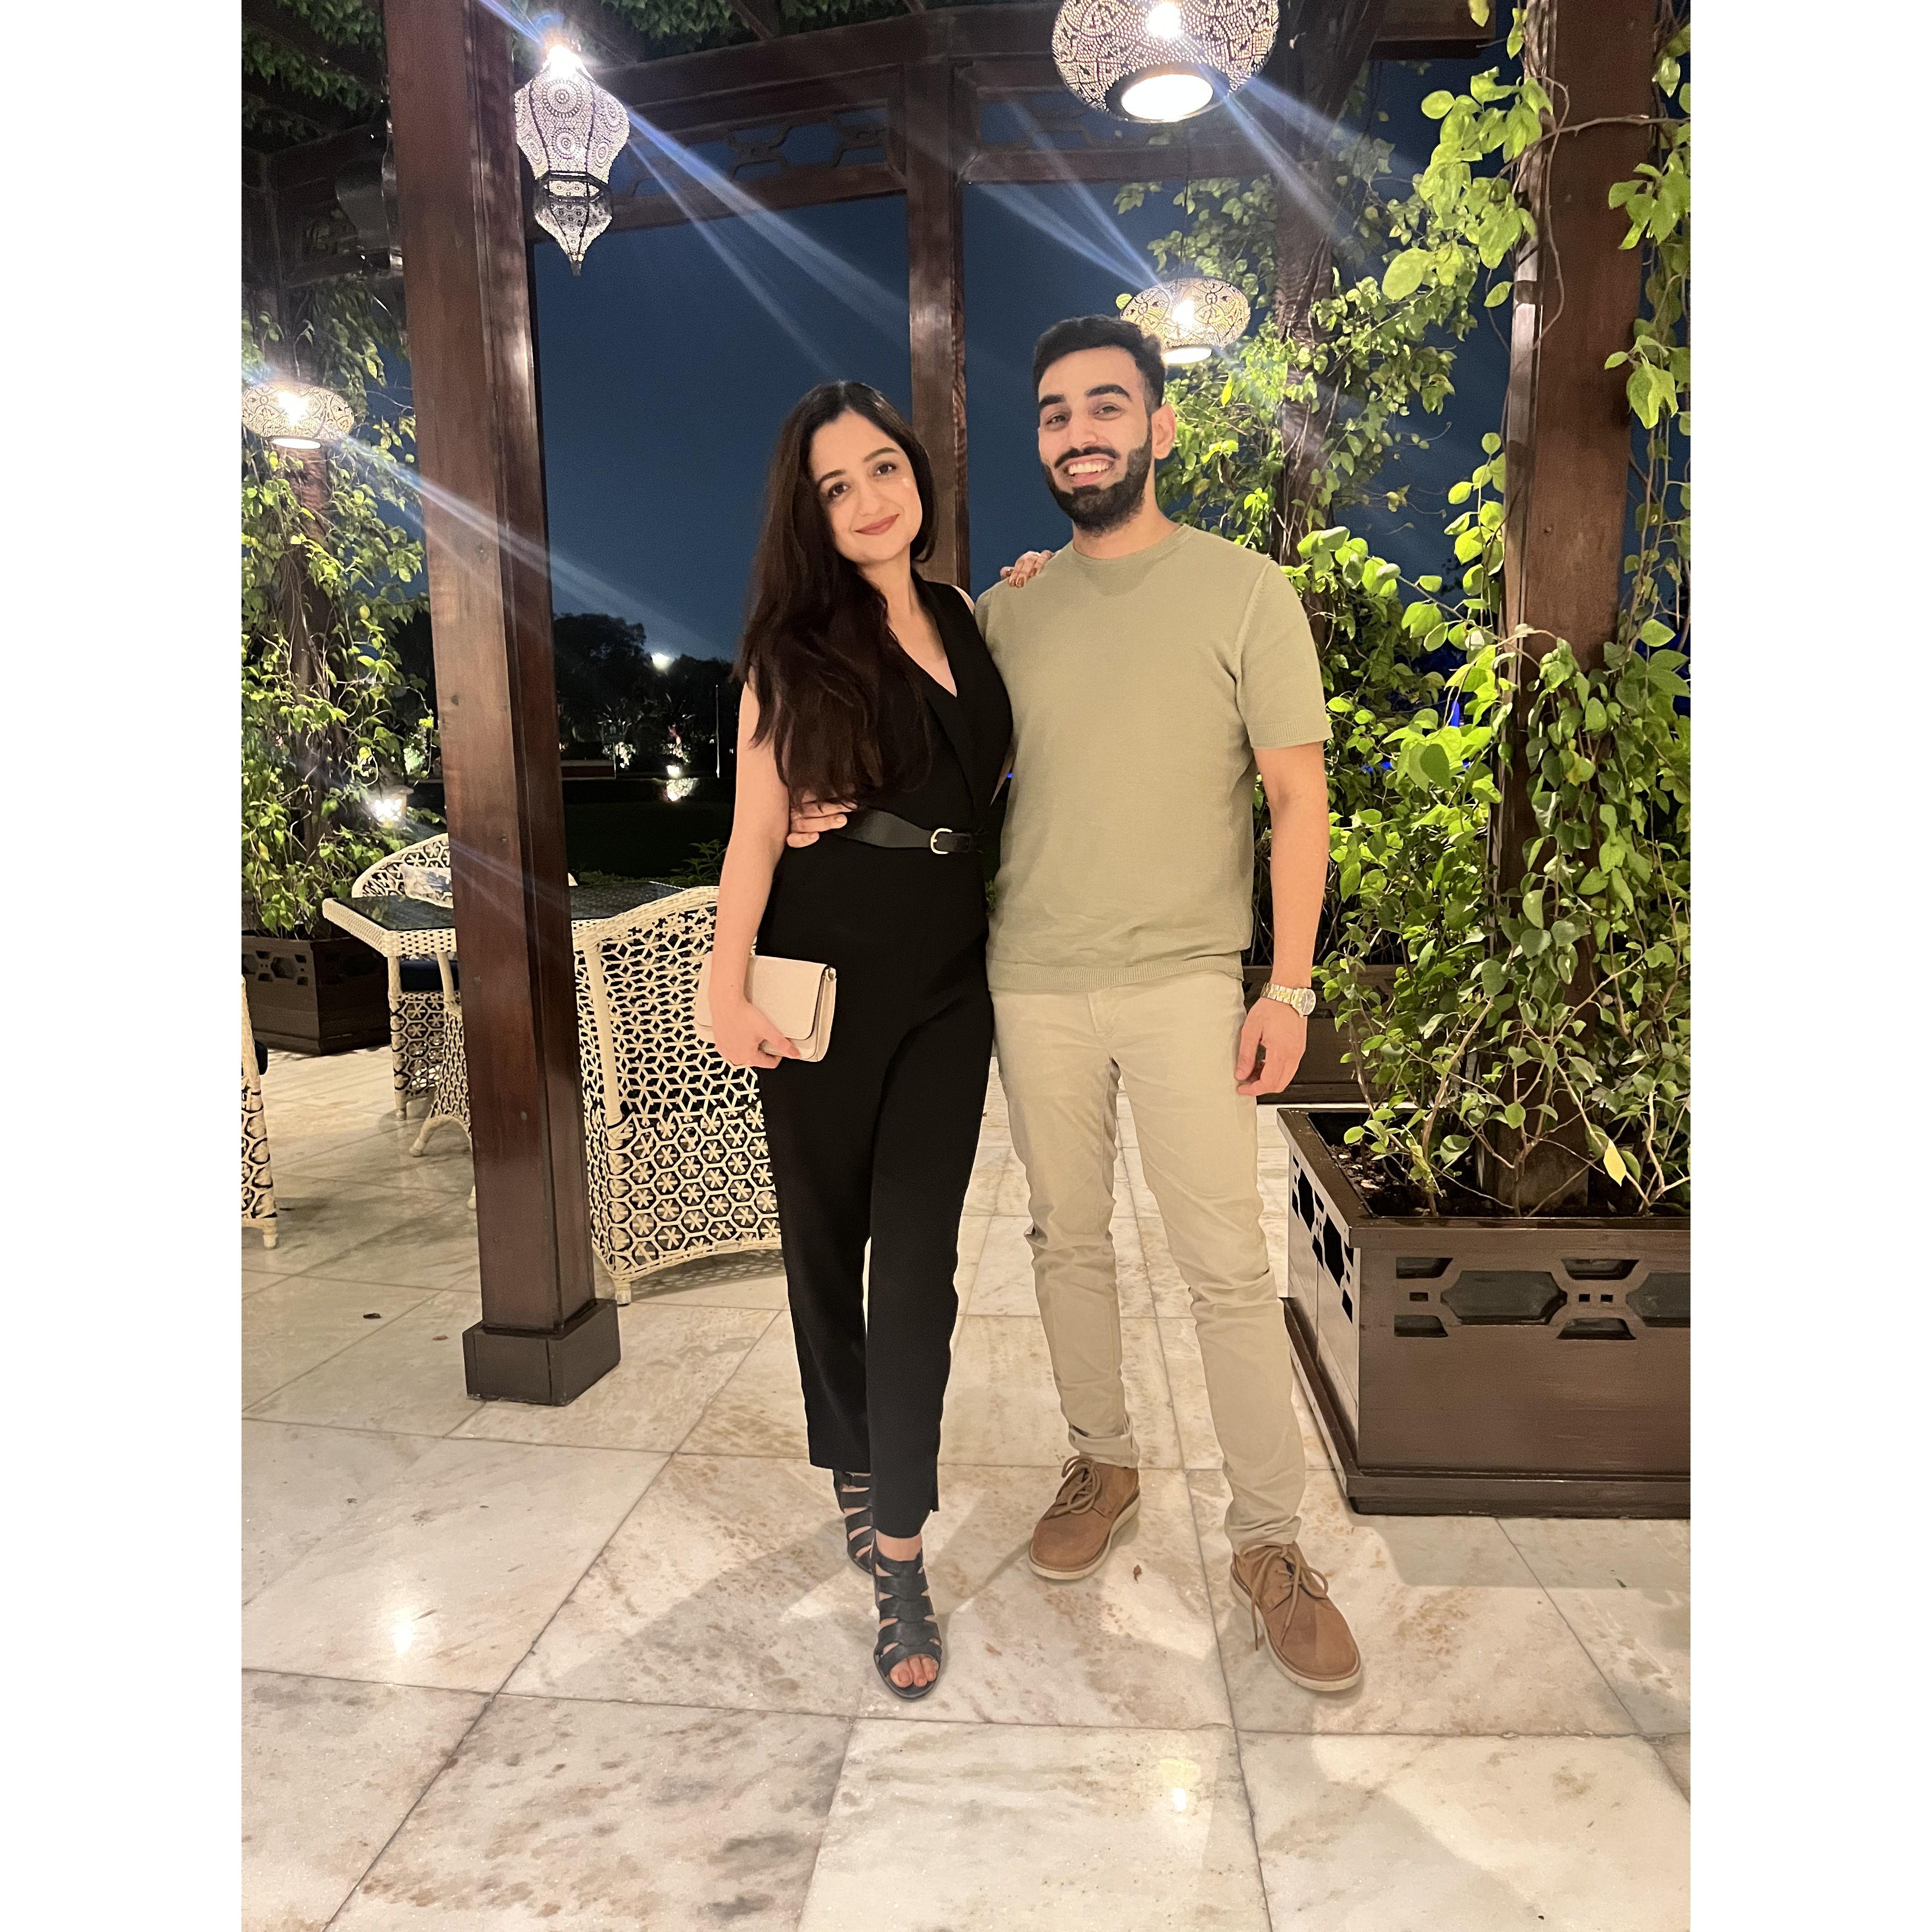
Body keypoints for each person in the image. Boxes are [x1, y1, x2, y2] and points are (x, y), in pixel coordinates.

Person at [794, 316, 1361, 1693]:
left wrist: (1288, 985)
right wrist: (816, 801)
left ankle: (1271, 1545)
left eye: (1107, 406)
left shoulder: (1245, 593)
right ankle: (1102, 1463)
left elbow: (1299, 801)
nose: (1080, 432)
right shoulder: (1004, 614)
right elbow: (922, 752)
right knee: (1066, 1243)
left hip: (1186, 981)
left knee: (1226, 1270)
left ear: (1159, 427)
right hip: (1029, 979)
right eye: (1055, 414)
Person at [705, 380, 1012, 1702]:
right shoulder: (793, 654)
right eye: (838, 486)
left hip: (950, 982)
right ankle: (854, 1461)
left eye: (885, 468)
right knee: (826, 1247)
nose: (871, 499)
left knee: (920, 1264)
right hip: (823, 978)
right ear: (812, 514)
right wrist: (723, 983)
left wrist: (1031, 582)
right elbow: (753, 835)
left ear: (917, 478)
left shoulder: (967, 617)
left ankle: (898, 1548)